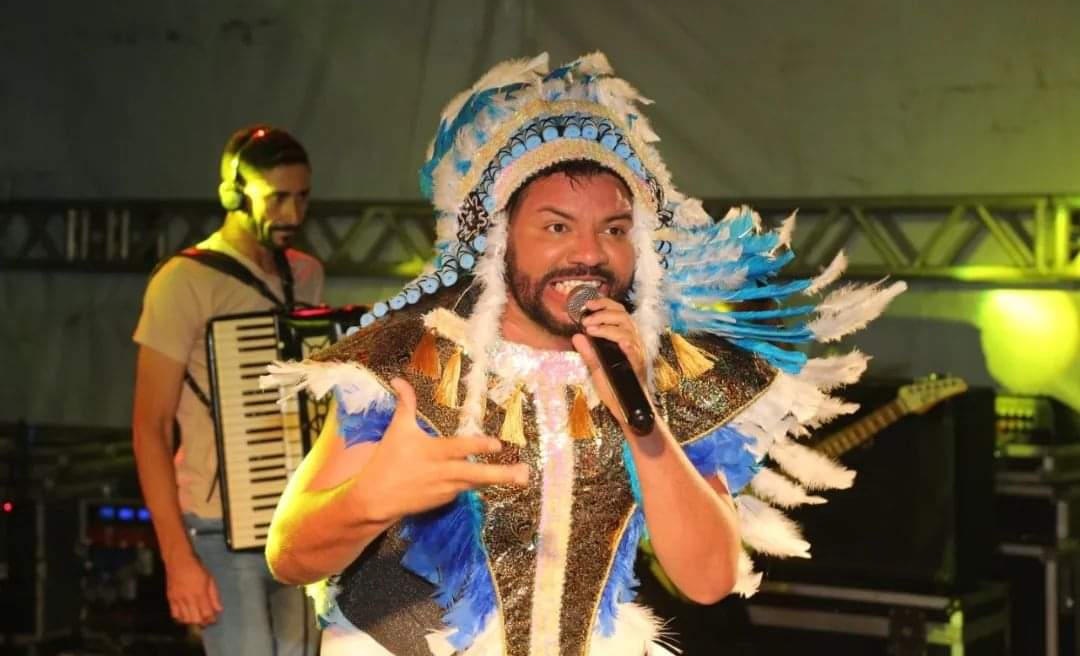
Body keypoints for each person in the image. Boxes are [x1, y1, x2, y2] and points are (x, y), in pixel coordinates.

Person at [263, 53, 905, 656]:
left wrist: (644, 420)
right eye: (557, 226)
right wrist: (367, 500)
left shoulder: (663, 372)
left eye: (614, 229)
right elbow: (288, 556)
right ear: (498, 239)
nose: (590, 254)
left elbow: (709, 579)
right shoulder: (411, 360)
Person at [132, 125, 323, 656]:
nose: (292, 214)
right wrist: (177, 559)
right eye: (276, 197)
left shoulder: (307, 274)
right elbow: (149, 428)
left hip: (295, 519)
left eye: (302, 197)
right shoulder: (184, 280)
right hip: (216, 525)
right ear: (234, 194)